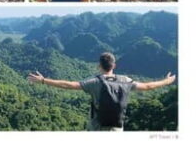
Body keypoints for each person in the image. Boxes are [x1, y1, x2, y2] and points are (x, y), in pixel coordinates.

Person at [28, 52, 176, 131]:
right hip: (116, 128)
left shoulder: (95, 82)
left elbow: (68, 85)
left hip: (96, 128)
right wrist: (166, 81)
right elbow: (148, 87)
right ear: (114, 65)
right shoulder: (125, 80)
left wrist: (43, 80)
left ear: (99, 66)